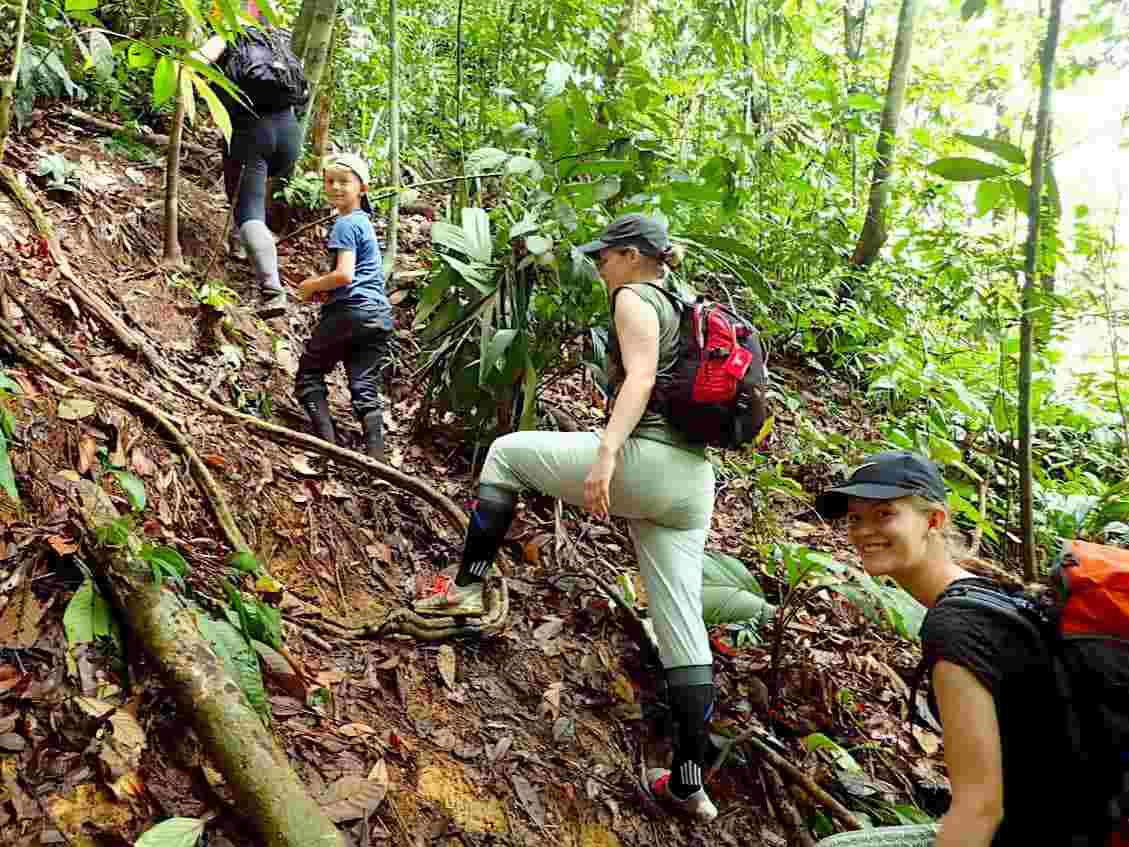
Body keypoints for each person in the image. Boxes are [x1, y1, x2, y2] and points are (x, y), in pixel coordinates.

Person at [414, 213, 720, 822]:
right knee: (683, 628)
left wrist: (607, 452)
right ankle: (690, 785)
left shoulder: (635, 296)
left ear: (633, 255)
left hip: (646, 459)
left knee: (506, 454)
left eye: (606, 255)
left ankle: (468, 589)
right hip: (692, 483)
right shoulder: (687, 304)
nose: (601, 265)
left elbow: (640, 377)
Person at [814, 451, 1096, 847]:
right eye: (855, 518)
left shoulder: (957, 626)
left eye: (884, 515)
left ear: (934, 521)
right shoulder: (984, 592)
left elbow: (979, 809)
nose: (862, 531)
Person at [195, 3, 301, 319]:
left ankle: (272, 290)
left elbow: (195, 62)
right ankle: (241, 245)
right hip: (289, 134)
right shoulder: (276, 39)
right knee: (253, 193)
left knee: (249, 211)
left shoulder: (228, 35)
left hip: (251, 131)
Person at [293, 152, 393, 460]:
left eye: (344, 181)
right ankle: (377, 459)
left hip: (350, 311)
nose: (335, 187)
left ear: (362, 188)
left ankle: (328, 445)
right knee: (364, 386)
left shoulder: (346, 223)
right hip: (377, 315)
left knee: (309, 373)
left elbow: (344, 275)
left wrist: (310, 286)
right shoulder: (363, 223)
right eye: (329, 181)